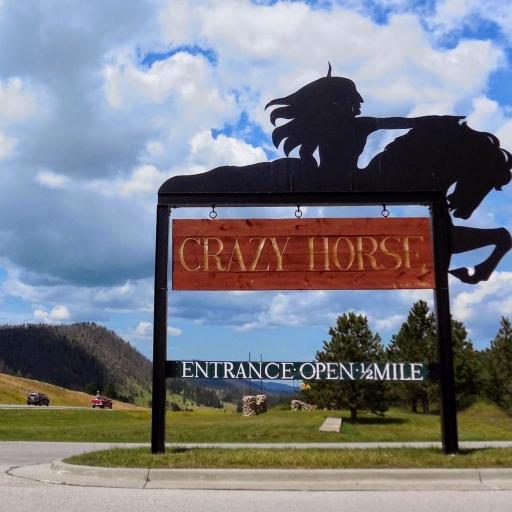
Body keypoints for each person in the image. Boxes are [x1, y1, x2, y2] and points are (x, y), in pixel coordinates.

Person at [265, 65, 464, 178]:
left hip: (346, 178)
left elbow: (403, 122)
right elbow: (306, 153)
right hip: (341, 180)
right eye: (354, 100)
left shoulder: (358, 124)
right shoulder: (345, 124)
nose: (359, 103)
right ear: (341, 102)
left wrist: (439, 121)